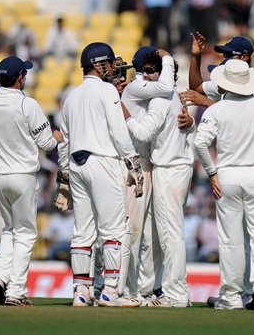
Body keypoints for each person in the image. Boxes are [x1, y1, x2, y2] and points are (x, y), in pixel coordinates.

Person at [194, 59, 254, 310]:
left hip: (227, 176)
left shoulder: (217, 109)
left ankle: (232, 297)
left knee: (230, 239)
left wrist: (212, 173)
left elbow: (200, 143)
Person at [55, 42, 143, 308]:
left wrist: (65, 177)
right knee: (114, 229)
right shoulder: (107, 91)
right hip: (104, 162)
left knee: (83, 231)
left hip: (77, 164)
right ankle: (110, 292)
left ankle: (81, 292)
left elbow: (65, 141)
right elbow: (118, 131)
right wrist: (133, 163)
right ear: (97, 64)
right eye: (108, 64)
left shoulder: (71, 95)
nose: (112, 69)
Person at [0, 55, 63, 306]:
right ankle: (16, 291)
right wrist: (57, 136)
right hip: (22, 176)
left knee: (10, 229)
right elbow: (46, 143)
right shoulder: (28, 105)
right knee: (24, 233)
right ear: (20, 78)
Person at [121, 49, 195, 307]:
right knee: (158, 233)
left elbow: (142, 133)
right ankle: (150, 289)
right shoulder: (174, 96)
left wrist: (125, 114)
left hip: (168, 169)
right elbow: (182, 126)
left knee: (169, 233)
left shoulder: (160, 99)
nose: (145, 76)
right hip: (176, 166)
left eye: (150, 71)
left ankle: (176, 294)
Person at [116, 46, 176, 305]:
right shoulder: (136, 86)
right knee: (132, 229)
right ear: (146, 71)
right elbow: (165, 88)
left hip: (146, 163)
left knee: (146, 231)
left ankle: (145, 289)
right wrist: (168, 58)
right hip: (134, 164)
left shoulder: (137, 87)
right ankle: (122, 289)